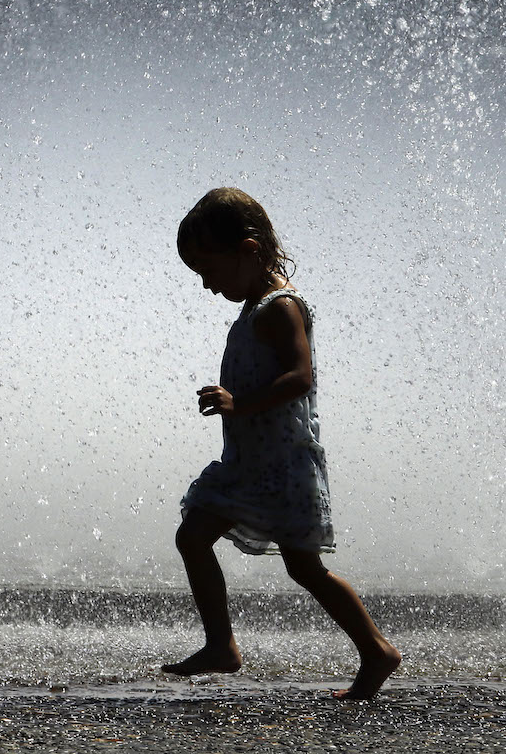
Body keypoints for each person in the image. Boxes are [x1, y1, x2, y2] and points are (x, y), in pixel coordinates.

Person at [163, 187, 401, 699]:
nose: (206, 285)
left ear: (248, 250)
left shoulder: (280, 308)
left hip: (283, 466)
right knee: (193, 535)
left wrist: (237, 403)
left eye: (210, 270)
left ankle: (376, 650)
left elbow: (300, 377)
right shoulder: (252, 309)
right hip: (248, 465)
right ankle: (221, 644)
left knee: (305, 567)